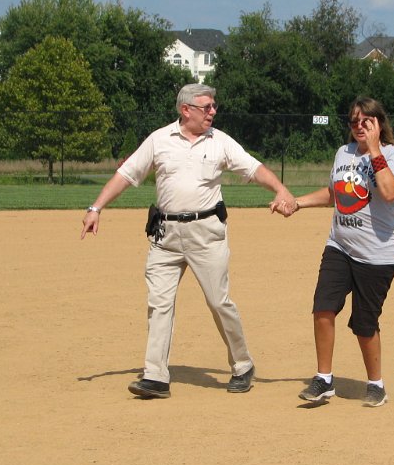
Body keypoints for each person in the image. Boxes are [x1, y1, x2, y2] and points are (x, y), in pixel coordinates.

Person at [81, 83, 295, 399]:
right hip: (165, 235)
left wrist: (280, 189)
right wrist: (96, 207)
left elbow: (253, 168)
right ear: (186, 110)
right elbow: (126, 174)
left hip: (206, 233)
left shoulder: (219, 141)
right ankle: (155, 376)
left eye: (213, 106)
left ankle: (242, 364)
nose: (213, 111)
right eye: (206, 107)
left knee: (218, 301)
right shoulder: (159, 140)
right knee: (159, 303)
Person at [273, 97, 394, 407]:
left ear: (379, 123)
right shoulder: (342, 153)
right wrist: (297, 203)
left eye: (366, 121)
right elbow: (334, 193)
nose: (359, 126)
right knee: (323, 307)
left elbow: (389, 192)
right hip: (340, 245)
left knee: (364, 323)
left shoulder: (391, 154)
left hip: (378, 253)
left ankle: (376, 384)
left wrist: (373, 151)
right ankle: (324, 380)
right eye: (354, 122)